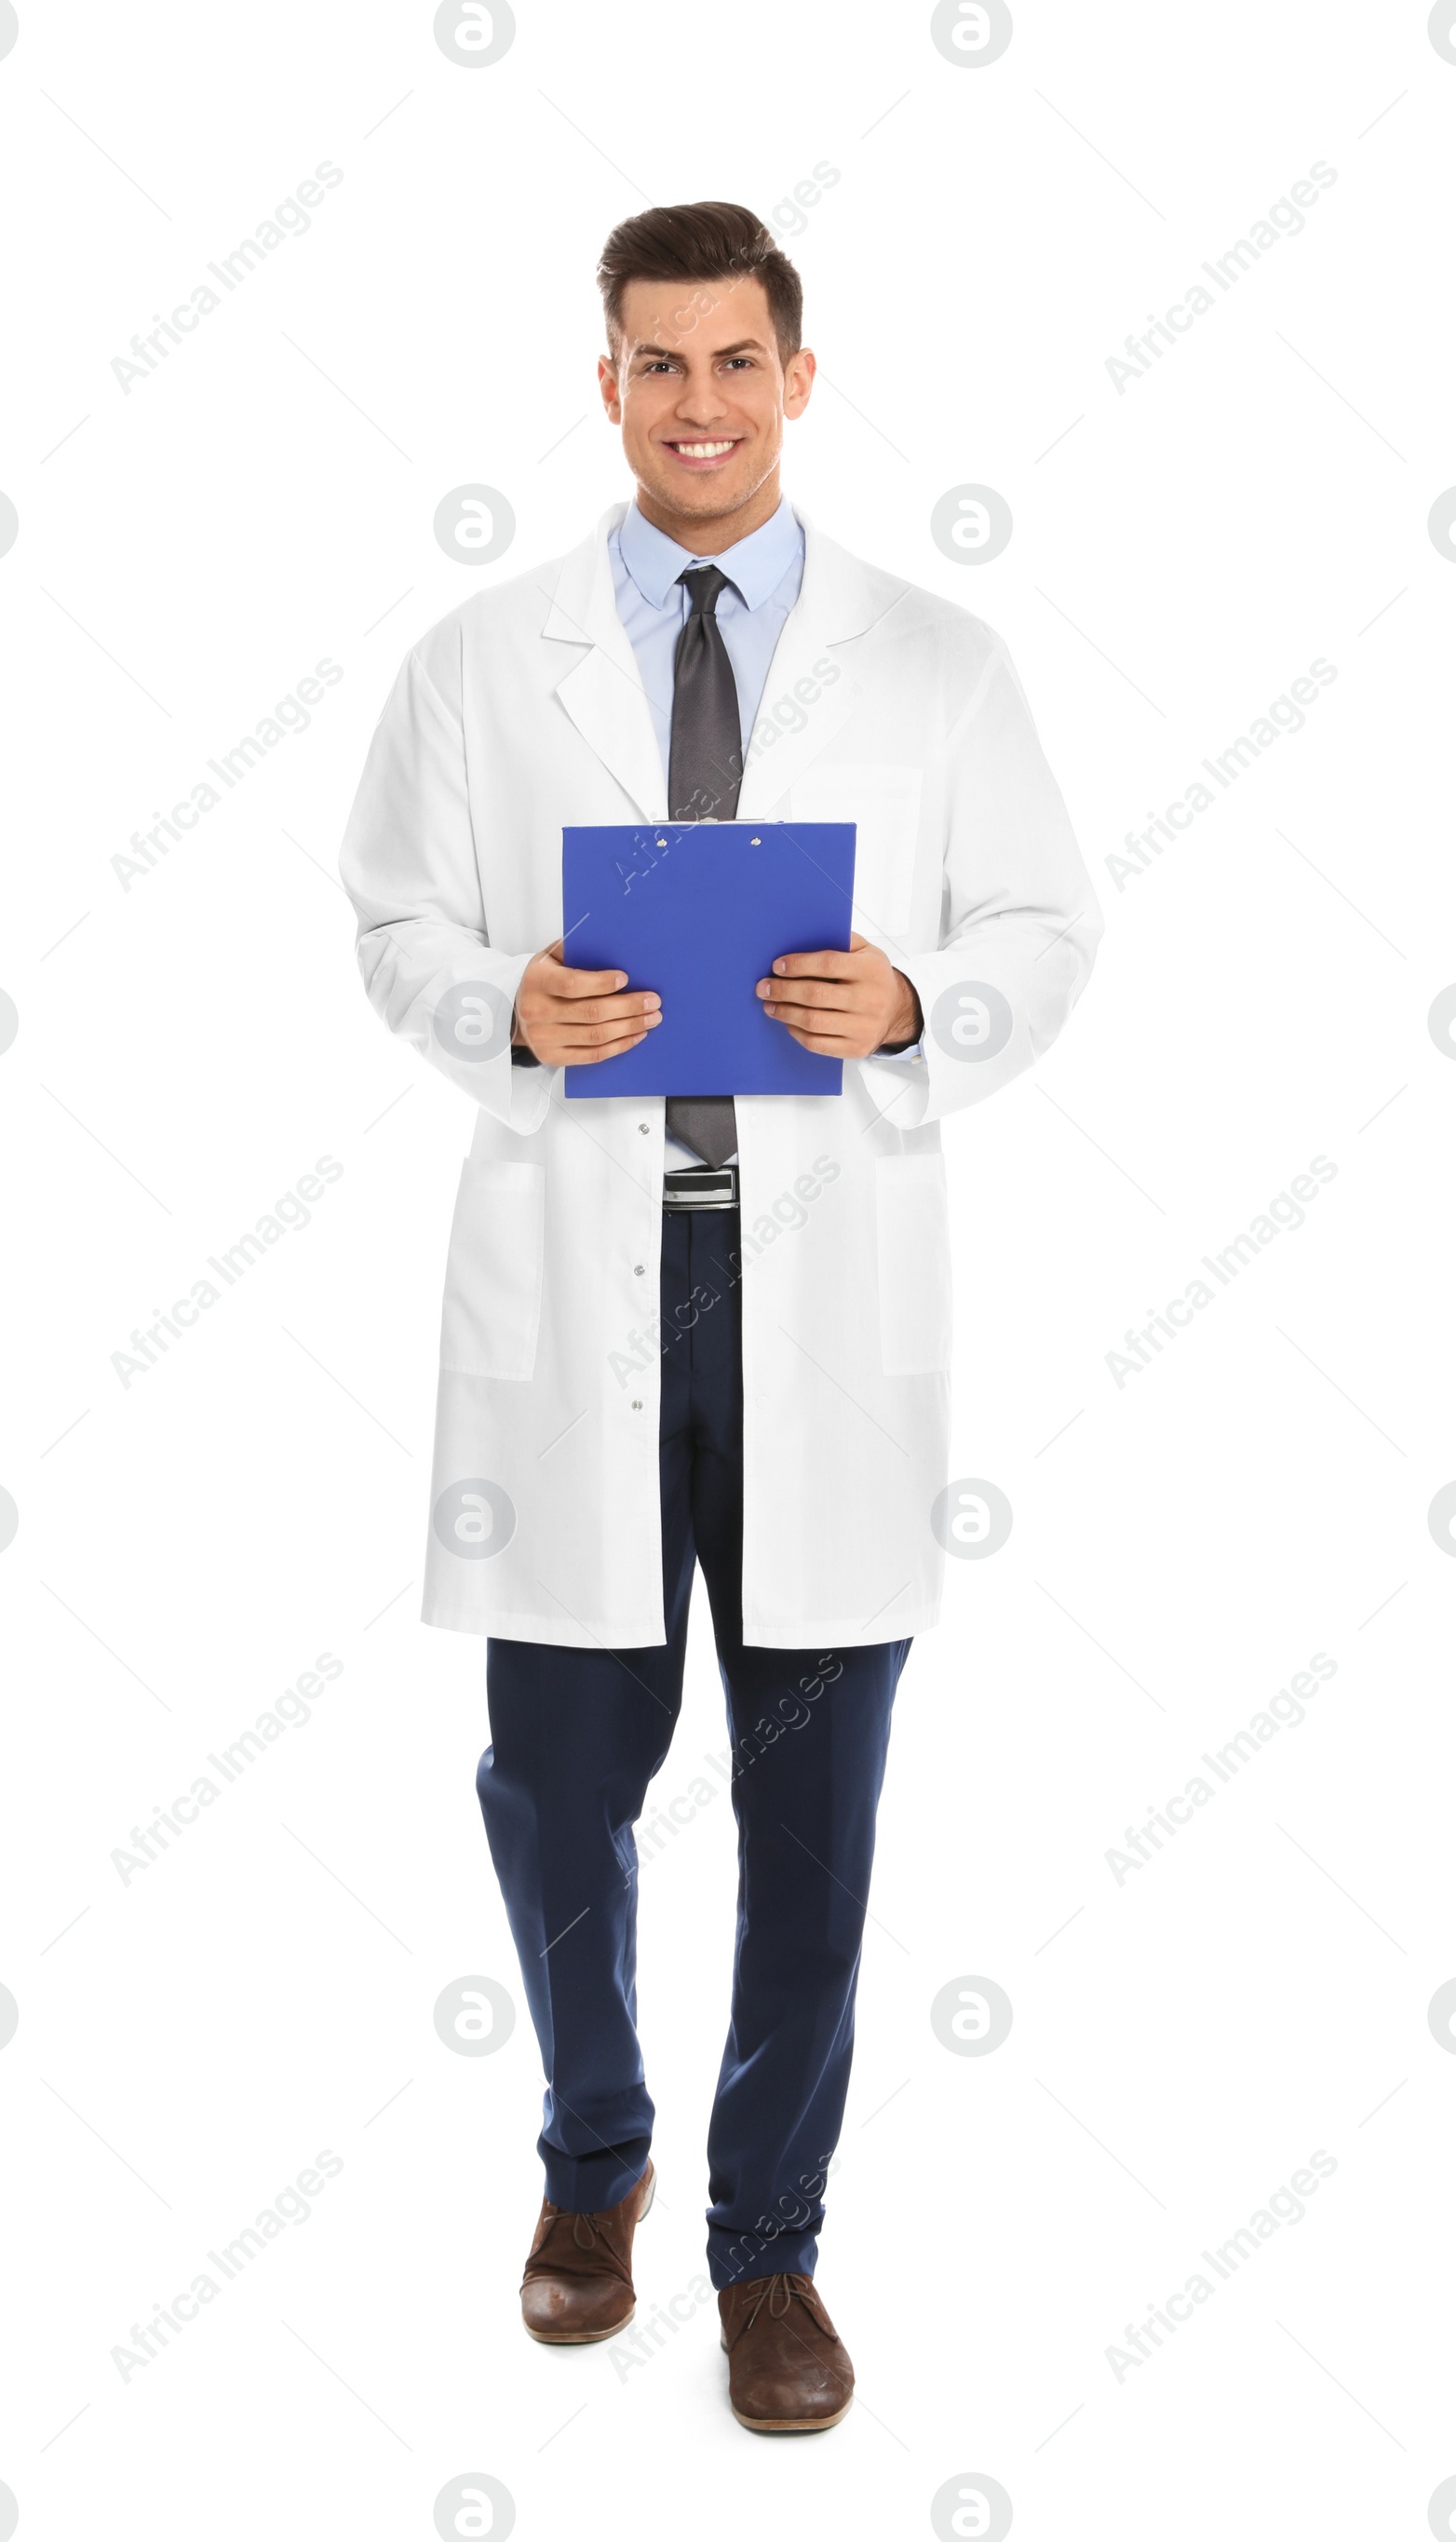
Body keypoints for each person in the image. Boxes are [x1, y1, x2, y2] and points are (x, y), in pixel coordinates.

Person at [339, 199, 1101, 2434]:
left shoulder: (935, 662)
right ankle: (596, 2164)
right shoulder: (482, 663)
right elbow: (391, 918)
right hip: (586, 1286)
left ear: (795, 375)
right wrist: (505, 1000)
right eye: (652, 364)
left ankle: (770, 2248)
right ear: (603, 385)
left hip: (818, 1299)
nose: (694, 405)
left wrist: (914, 999)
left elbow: (1047, 927)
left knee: (813, 1810)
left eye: (732, 362)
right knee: (554, 1785)